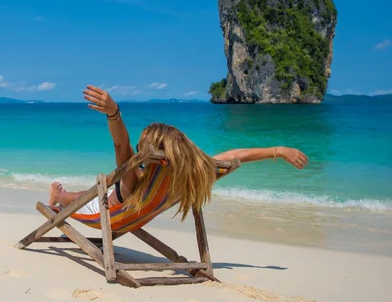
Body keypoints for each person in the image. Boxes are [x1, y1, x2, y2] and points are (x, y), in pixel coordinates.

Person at [49, 86, 309, 220]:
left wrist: (114, 113)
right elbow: (232, 156)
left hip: (98, 210)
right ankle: (60, 195)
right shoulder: (187, 175)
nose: (137, 152)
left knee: (86, 195)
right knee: (94, 191)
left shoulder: (135, 179)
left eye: (141, 149)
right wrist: (277, 150)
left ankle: (60, 196)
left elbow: (120, 144)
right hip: (121, 204)